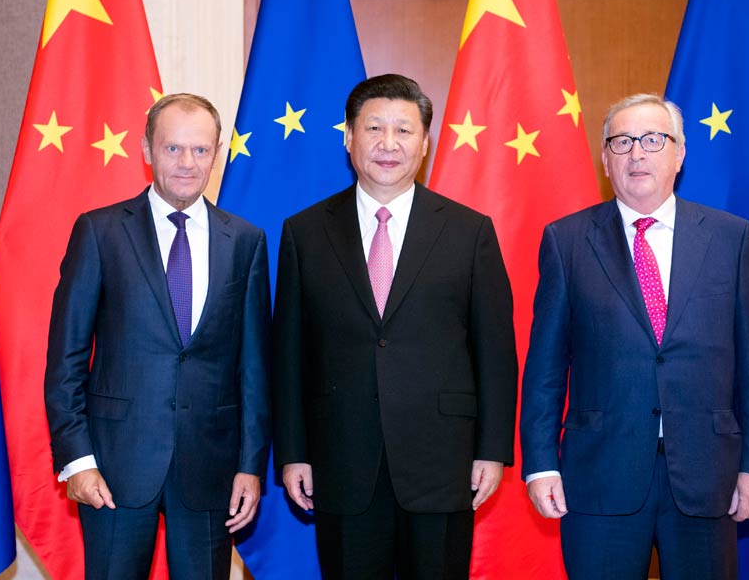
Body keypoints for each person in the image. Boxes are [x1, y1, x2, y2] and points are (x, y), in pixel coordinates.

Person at [520, 93, 749, 579]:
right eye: (622, 142)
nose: (637, 153)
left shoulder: (731, 237)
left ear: (679, 154)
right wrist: (540, 465)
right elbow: (545, 370)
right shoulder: (566, 241)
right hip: (599, 476)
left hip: (708, 474)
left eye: (653, 140)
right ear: (605, 160)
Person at [271, 73, 518, 579]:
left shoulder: (469, 231)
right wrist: (293, 452)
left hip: (443, 462)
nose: (389, 144)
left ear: (425, 143)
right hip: (341, 459)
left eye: (404, 131)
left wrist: (492, 450)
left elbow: (495, 351)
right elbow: (289, 354)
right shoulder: (305, 231)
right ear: (349, 138)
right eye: (374, 128)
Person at [44, 93, 271, 579]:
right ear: (147, 149)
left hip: (210, 469)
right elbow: (66, 358)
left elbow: (254, 367)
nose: (187, 163)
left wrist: (250, 465)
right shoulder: (100, 232)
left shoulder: (246, 241)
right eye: (173, 148)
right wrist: (77, 460)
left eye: (200, 150)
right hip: (113, 468)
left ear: (216, 154)